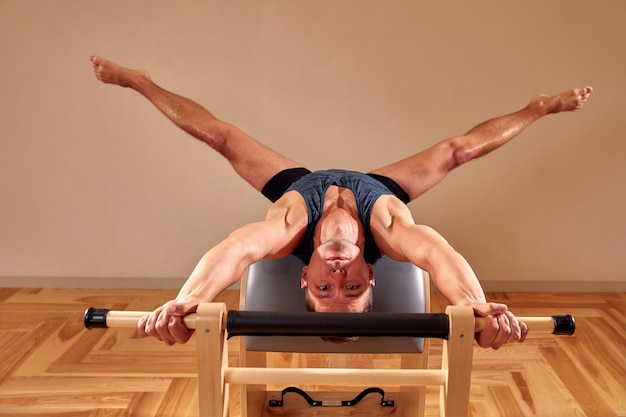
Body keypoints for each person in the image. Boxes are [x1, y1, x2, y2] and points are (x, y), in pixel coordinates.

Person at [89, 55, 592, 349]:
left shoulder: (288, 231)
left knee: (221, 138)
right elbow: (438, 253)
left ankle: (140, 80)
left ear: (303, 277)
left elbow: (237, 248)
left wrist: (188, 301)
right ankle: (538, 106)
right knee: (457, 151)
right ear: (370, 276)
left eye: (324, 287)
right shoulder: (389, 231)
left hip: (304, 186)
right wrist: (476, 310)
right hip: (374, 189)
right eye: (349, 286)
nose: (336, 276)